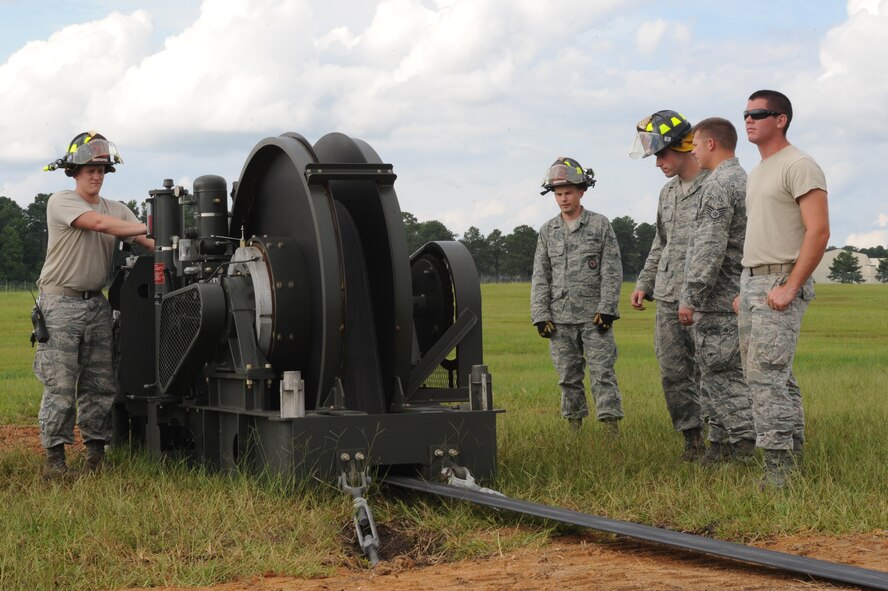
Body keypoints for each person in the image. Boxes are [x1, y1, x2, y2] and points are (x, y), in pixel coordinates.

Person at [36, 131, 154, 479]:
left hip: (96, 305)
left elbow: (146, 240)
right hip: (60, 303)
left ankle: (95, 457)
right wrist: (149, 224)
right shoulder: (62, 202)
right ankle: (54, 463)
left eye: (102, 169)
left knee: (101, 384)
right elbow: (100, 224)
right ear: (74, 172)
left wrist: (170, 237)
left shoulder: (117, 209)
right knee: (60, 385)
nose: (96, 176)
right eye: (89, 169)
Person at [737, 90, 829, 488]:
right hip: (753, 280)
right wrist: (746, 284)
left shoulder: (800, 165)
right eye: (745, 114)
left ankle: (778, 471)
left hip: (780, 281)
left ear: (782, 119)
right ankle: (792, 451)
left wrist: (791, 285)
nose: (749, 120)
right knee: (773, 375)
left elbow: (819, 230)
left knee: (766, 376)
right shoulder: (758, 171)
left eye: (759, 113)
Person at [629, 110, 709, 461]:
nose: (658, 162)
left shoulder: (715, 185)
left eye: (662, 154)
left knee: (712, 370)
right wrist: (644, 283)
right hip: (666, 296)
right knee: (673, 372)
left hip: (707, 298)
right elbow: (660, 242)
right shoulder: (667, 193)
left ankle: (726, 441)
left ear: (683, 145)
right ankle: (692, 440)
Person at [680, 117, 756, 465]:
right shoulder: (743, 179)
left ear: (712, 144)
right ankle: (721, 446)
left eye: (695, 144)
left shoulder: (718, 185)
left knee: (723, 376)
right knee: (718, 375)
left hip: (719, 299)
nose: (692, 150)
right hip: (736, 294)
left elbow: (709, 248)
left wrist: (691, 297)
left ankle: (742, 448)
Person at [531, 157, 624, 434]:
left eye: (568, 192)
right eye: (558, 194)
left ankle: (611, 431)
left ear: (582, 191)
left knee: (603, 375)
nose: (563, 199)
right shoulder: (548, 231)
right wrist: (540, 315)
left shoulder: (599, 225)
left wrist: (607, 308)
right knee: (568, 378)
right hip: (559, 320)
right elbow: (541, 275)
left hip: (595, 318)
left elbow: (612, 270)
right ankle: (575, 430)